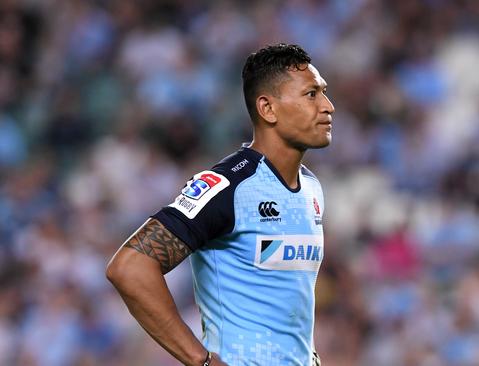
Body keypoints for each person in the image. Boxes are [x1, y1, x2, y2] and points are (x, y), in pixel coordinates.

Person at [106, 43, 334, 366]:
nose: (328, 106)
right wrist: (202, 361)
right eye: (311, 94)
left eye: (323, 92)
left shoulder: (312, 189)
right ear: (267, 109)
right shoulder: (229, 186)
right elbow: (129, 267)